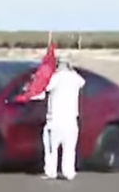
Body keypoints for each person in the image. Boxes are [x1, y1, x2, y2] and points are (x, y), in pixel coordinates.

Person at [31, 52, 86, 180]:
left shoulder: (56, 78)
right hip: (71, 121)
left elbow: (45, 88)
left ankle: (51, 172)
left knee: (51, 149)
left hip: (55, 120)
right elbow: (82, 82)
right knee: (69, 149)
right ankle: (69, 172)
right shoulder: (75, 79)